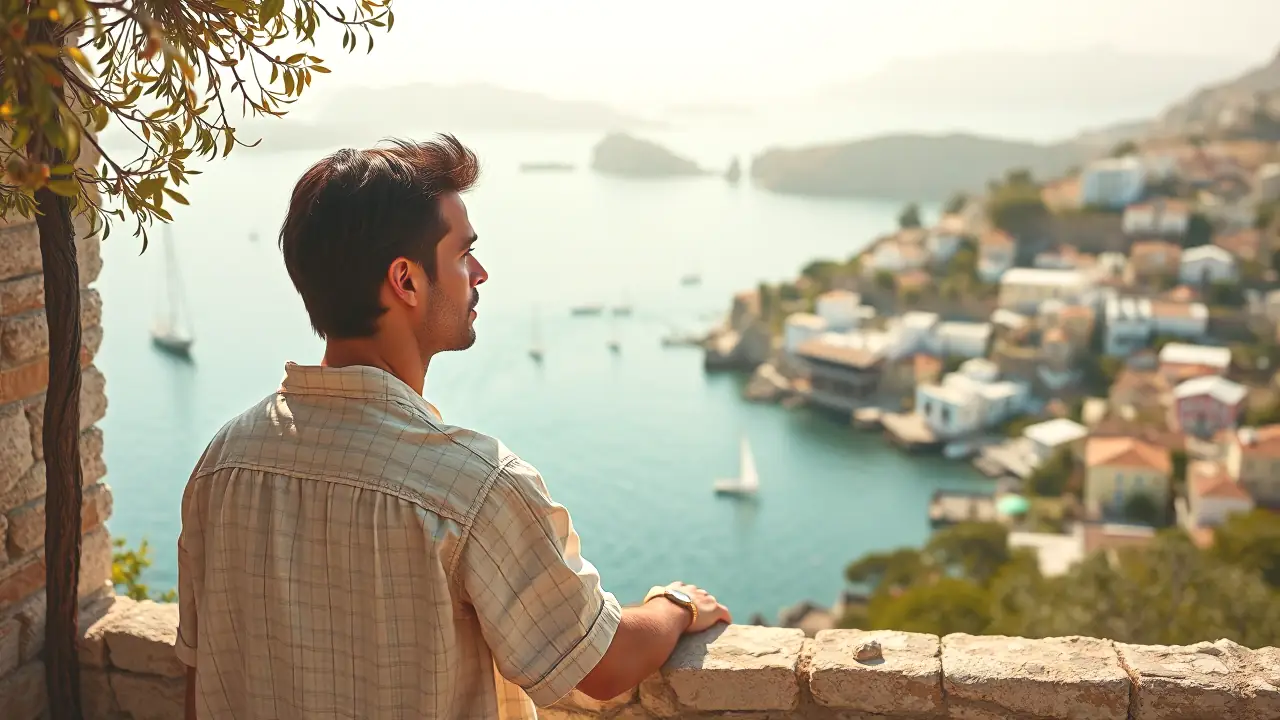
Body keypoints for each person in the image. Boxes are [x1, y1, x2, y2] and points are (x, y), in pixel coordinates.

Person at [174, 135, 731, 720]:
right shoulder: (475, 488)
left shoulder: (224, 462)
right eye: (464, 254)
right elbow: (602, 662)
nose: (480, 273)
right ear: (406, 281)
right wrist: (676, 606)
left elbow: (199, 679)